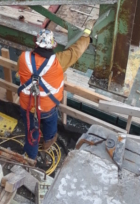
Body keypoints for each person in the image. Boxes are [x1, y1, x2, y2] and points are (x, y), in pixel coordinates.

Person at [17, 27, 92, 160]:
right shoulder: (58, 61)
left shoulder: (23, 58)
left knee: (31, 131)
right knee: (50, 124)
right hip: (48, 107)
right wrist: (86, 37)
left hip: (28, 106)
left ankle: (30, 157)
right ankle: (48, 142)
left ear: (36, 43)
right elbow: (76, 51)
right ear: (52, 45)